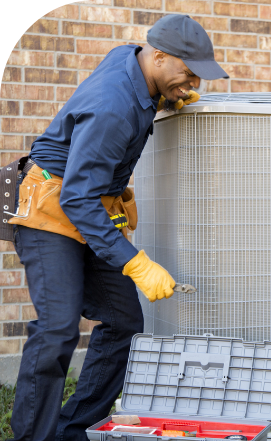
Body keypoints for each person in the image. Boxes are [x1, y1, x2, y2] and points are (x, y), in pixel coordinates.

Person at [2, 15, 228, 441]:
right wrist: (135, 263)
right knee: (58, 329)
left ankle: (71, 431)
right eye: (188, 71)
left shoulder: (134, 64)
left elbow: (131, 68)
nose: (194, 80)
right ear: (158, 56)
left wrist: (168, 95)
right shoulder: (114, 106)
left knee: (124, 322)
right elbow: (77, 199)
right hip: (51, 209)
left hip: (87, 205)